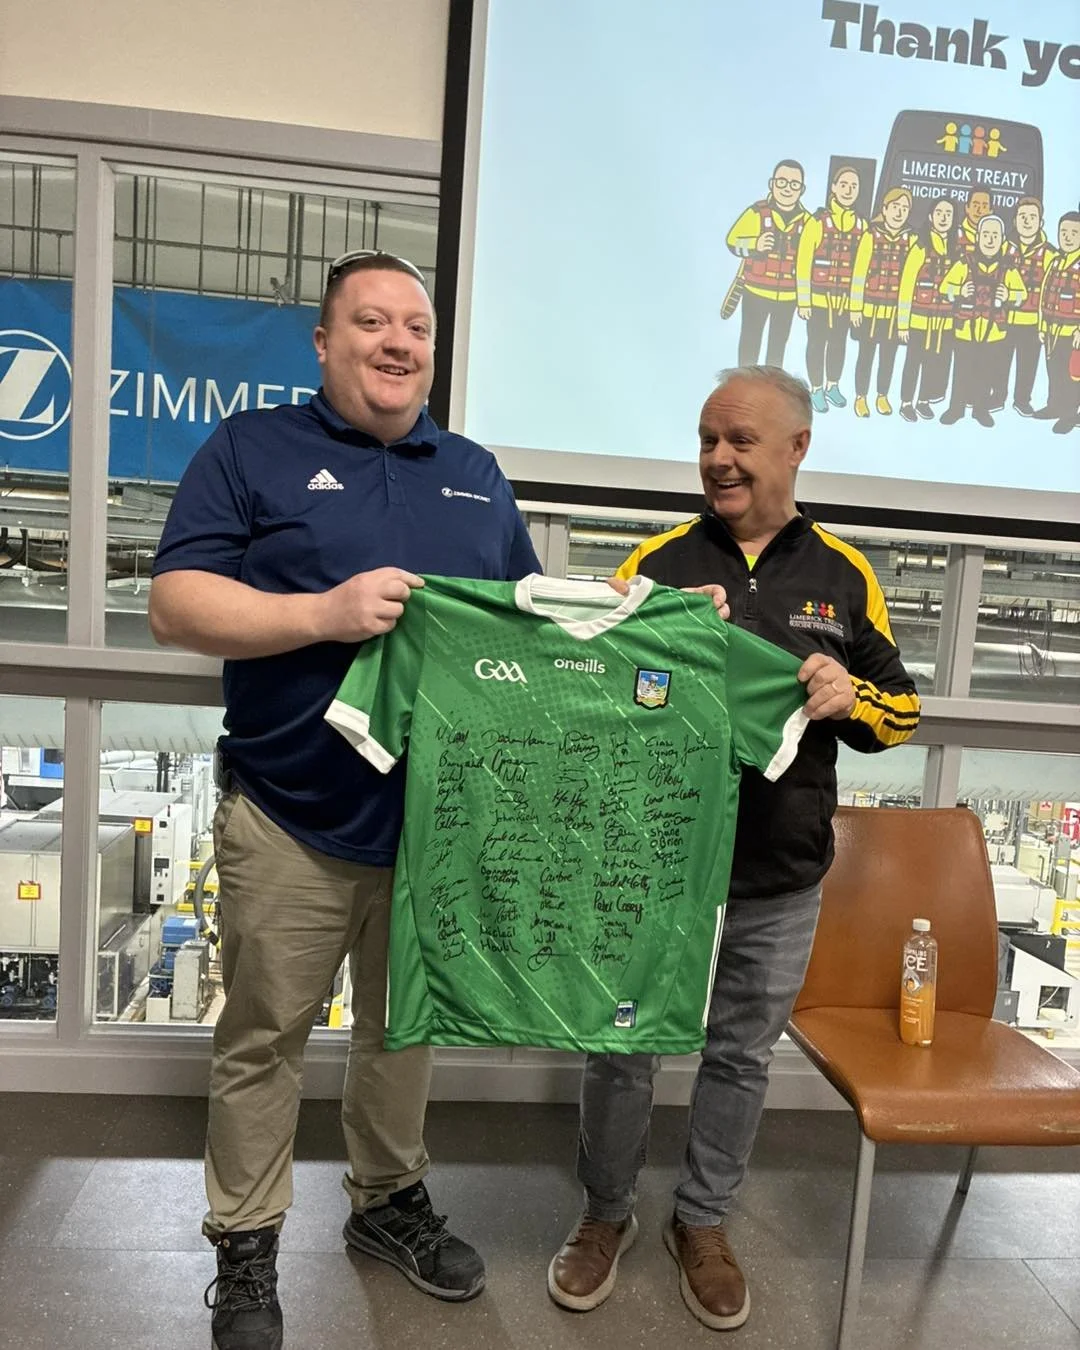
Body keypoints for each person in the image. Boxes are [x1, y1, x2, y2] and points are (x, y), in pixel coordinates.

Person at [148, 251, 541, 1350]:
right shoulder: (251, 448)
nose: (397, 342)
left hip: (432, 827)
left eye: (416, 327)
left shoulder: (474, 473)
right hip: (290, 813)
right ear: (324, 343)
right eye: (371, 322)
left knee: (402, 1031)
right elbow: (175, 604)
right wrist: (321, 614)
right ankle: (246, 1241)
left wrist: (644, 614)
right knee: (264, 1036)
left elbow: (525, 623)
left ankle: (386, 1201)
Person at [546, 365, 920, 1331]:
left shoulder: (845, 574)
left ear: (797, 448)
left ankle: (702, 1221)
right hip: (654, 870)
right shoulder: (657, 562)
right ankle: (605, 1213)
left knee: (741, 1056)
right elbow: (587, 692)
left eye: (740, 441)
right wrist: (659, 647)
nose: (718, 459)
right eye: (707, 440)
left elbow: (901, 710)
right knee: (622, 1049)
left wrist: (848, 696)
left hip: (781, 875)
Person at [940, 215, 1027, 427]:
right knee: (961, 371)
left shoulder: (1008, 268)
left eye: (995, 235)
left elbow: (1022, 295)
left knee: (986, 372)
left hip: (994, 333)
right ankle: (956, 408)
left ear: (1002, 239)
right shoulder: (964, 263)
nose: (990, 239)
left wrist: (1009, 295)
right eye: (986, 234)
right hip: (965, 331)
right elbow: (944, 288)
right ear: (977, 237)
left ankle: (980, 410)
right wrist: (959, 290)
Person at [724, 160, 809, 367]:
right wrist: (755, 244)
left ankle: (771, 385)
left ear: (802, 190)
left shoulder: (807, 221)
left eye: (794, 184)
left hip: (788, 296)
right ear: (772, 184)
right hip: (755, 291)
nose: (787, 189)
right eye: (782, 182)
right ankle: (745, 381)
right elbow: (732, 241)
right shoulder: (756, 213)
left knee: (778, 346)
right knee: (750, 341)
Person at [796, 166, 866, 414]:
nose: (848, 190)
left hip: (844, 303)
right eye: (844, 184)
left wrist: (856, 306)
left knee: (839, 344)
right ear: (834, 187)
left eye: (853, 186)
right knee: (816, 343)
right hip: (817, 300)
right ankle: (816, 389)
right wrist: (803, 300)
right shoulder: (817, 222)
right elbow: (803, 263)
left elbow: (860, 271)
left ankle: (832, 386)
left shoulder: (862, 226)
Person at [849, 187, 913, 417]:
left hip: (894, 314)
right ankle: (861, 397)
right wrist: (855, 307)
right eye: (895, 207)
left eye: (904, 208)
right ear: (884, 209)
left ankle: (882, 396)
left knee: (888, 357)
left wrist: (904, 318)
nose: (899, 212)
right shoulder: (870, 235)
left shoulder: (912, 239)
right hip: (869, 311)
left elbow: (910, 281)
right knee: (866, 355)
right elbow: (859, 274)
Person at [897, 196, 957, 421]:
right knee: (913, 362)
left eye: (948, 214)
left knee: (933, 362)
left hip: (943, 321)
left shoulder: (955, 249)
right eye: (939, 213)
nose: (943, 218)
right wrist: (903, 323)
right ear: (931, 217)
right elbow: (906, 285)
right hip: (919, 320)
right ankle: (906, 403)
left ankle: (923, 401)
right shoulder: (920, 247)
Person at [1002, 198, 1055, 417]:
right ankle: (996, 396)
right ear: (1015, 221)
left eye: (1032, 217)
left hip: (1032, 322)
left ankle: (1022, 400)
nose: (1027, 221)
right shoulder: (1004, 247)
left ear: (1040, 222)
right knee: (999, 360)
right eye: (1022, 216)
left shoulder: (1050, 253)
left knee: (1027, 364)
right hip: (1003, 318)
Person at [1034, 211, 1080, 434]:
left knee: (1072, 375)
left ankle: (1069, 415)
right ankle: (1054, 406)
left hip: (1073, 334)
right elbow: (1044, 295)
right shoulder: (1055, 262)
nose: (1068, 237)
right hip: (1052, 329)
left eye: (1074, 232)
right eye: (1064, 232)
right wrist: (1042, 326)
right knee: (1054, 371)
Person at [955, 189, 991, 256]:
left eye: (984, 207)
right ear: (967, 208)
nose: (979, 211)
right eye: (975, 205)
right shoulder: (954, 234)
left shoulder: (998, 239)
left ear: (990, 211)